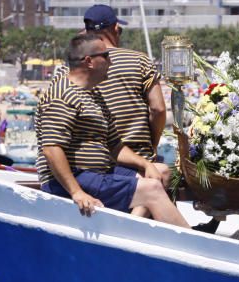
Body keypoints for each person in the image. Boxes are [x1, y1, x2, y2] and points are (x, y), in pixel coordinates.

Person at [36, 33, 189, 228]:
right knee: (151, 189)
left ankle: (128, 232)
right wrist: (76, 192)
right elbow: (52, 149)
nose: (111, 61)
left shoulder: (94, 94)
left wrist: (146, 164)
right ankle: (200, 248)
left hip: (98, 173)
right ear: (89, 61)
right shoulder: (61, 95)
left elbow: (115, 146)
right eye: (106, 56)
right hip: (75, 176)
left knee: (161, 172)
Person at [82, 4, 169, 183]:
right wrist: (153, 144)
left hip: (94, 163)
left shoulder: (77, 67)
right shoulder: (140, 61)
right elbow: (158, 109)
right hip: (139, 161)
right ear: (115, 29)